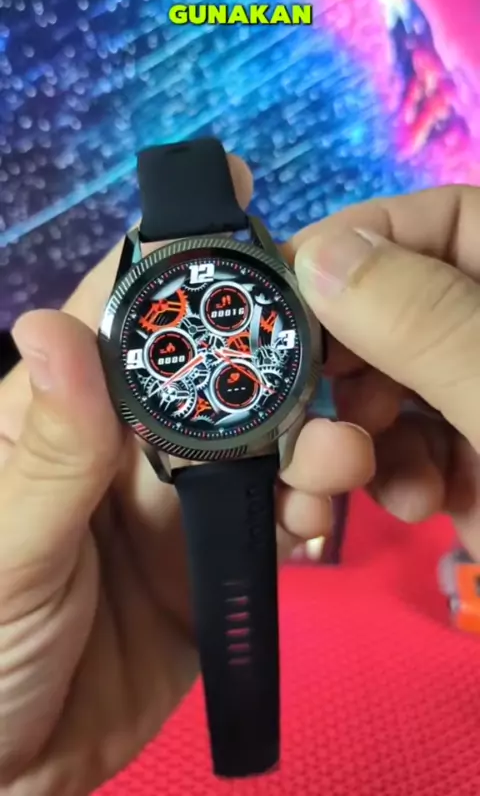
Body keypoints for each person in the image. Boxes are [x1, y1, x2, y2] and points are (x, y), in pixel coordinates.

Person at [0, 156, 479, 796]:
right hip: (214, 437)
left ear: (311, 337)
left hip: (224, 435)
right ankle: (244, 740)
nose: (210, 346)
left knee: (326, 463)